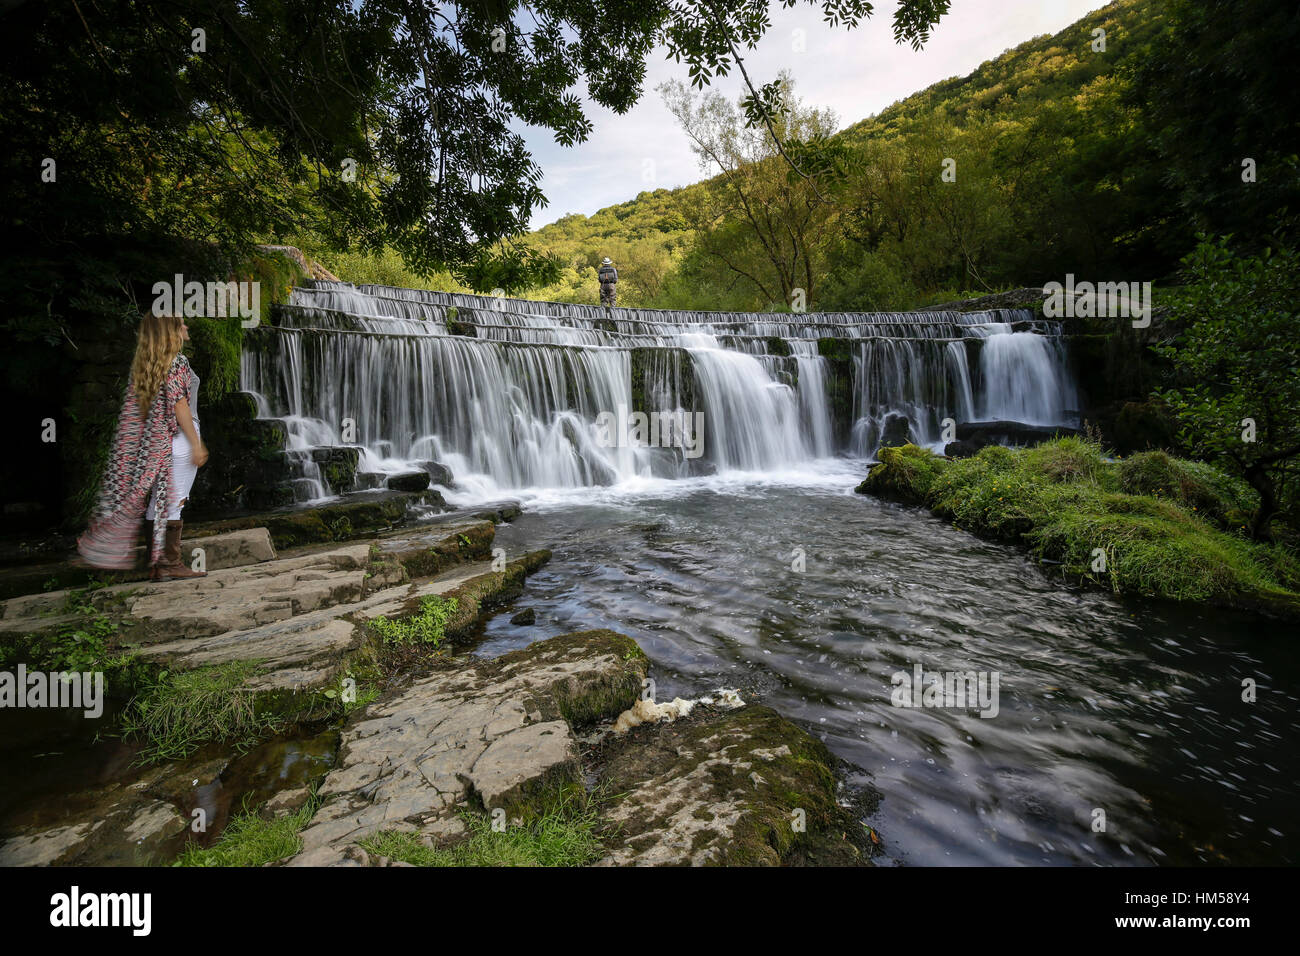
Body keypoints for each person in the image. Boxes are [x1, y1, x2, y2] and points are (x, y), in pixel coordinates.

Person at [77, 312, 209, 581]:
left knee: (159, 500)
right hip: (181, 438)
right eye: (180, 324)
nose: (185, 326)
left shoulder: (147, 363)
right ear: (170, 332)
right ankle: (170, 564)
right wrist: (197, 444)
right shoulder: (178, 361)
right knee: (175, 500)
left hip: (158, 439)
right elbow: (180, 406)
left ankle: (158, 565)